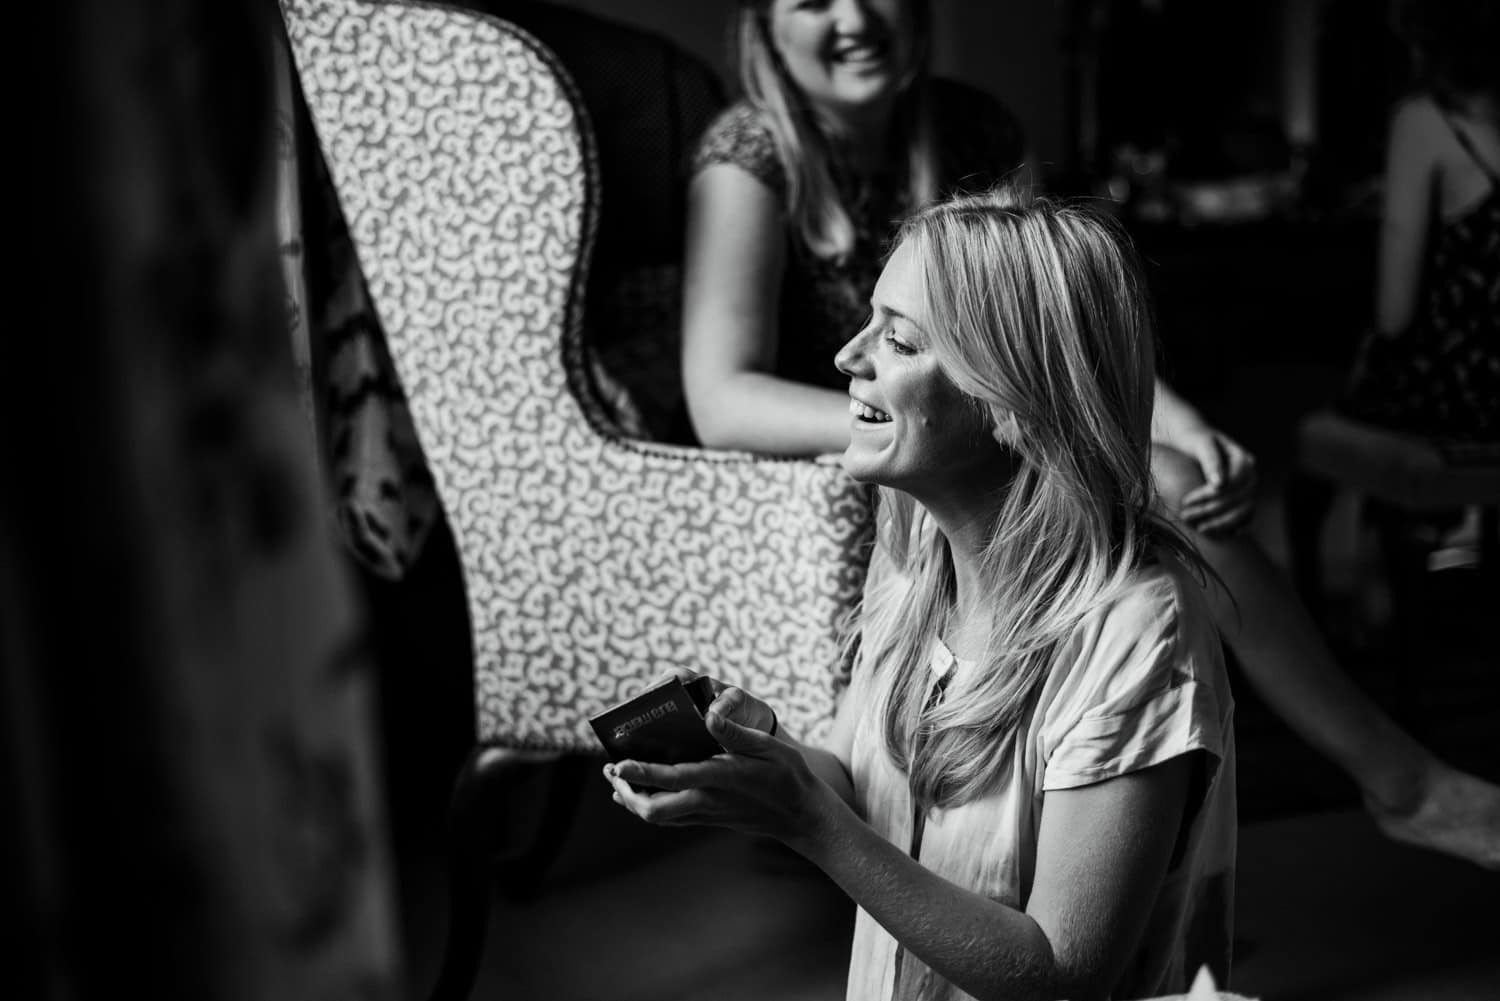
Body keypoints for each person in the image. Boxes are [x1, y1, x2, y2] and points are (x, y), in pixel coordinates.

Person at [680, 0, 1499, 869]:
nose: (855, 17)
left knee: (1182, 481)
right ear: (766, 28)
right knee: (1156, 490)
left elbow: (1061, 322)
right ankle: (1388, 785)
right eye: (812, 1)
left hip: (987, 416)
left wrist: (1179, 418)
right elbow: (722, 397)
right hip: (874, 448)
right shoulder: (750, 157)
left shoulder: (970, 124)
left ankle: (1135, 859)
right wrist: (898, 413)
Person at [611, 187, 1238, 1000]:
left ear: (1010, 401)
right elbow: (852, 782)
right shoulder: (913, 552)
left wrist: (809, 820)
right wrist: (762, 760)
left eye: (898, 339)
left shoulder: (1139, 628)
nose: (847, 355)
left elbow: (1060, 973)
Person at [1340, 0, 1499, 566]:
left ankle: (1374, 592)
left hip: (1468, 393)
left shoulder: (1424, 122)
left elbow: (1395, 312)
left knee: (1364, 377)